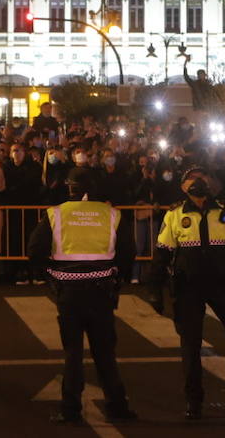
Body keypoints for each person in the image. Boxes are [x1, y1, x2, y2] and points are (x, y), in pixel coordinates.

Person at [26, 168, 137, 425]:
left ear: (70, 188)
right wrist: (114, 275)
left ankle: (70, 409)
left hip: (69, 292)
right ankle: (117, 406)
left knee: (73, 353)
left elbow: (35, 250)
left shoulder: (56, 214)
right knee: (105, 352)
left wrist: (51, 274)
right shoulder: (111, 215)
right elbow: (128, 252)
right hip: (102, 290)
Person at [147, 165, 225, 420]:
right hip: (188, 287)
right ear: (183, 186)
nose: (197, 182)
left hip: (222, 285)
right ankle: (194, 400)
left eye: (202, 177)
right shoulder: (175, 214)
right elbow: (161, 254)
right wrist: (154, 290)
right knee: (191, 344)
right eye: (191, 179)